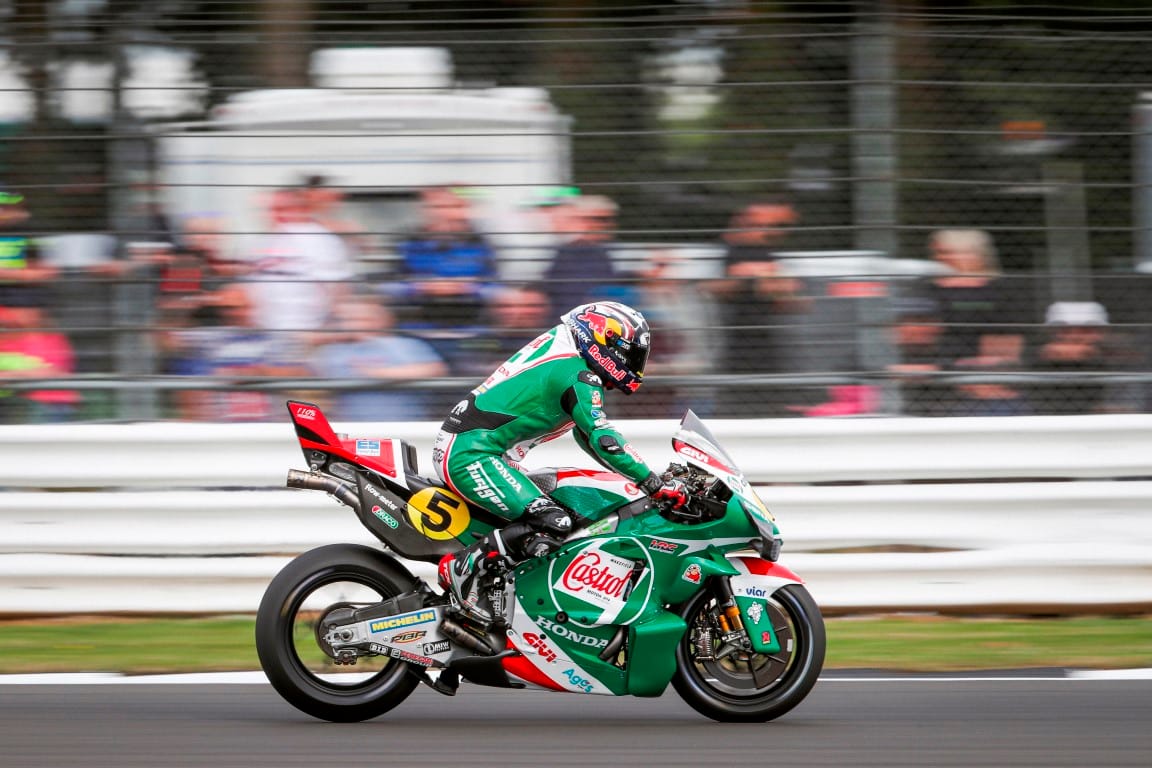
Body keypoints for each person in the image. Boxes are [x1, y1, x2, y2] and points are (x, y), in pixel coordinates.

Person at [433, 301, 689, 626]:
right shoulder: (575, 371)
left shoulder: (569, 358)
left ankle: (500, 604)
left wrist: (643, 481)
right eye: (629, 354)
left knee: (570, 511)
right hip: (473, 456)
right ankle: (461, 570)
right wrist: (652, 483)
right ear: (602, 339)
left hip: (483, 454)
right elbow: (602, 437)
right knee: (554, 520)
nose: (633, 364)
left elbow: (589, 438)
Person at [707, 199, 808, 417]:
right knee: (737, 398)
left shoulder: (767, 252)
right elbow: (723, 284)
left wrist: (768, 279)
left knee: (768, 396)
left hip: (765, 339)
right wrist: (756, 275)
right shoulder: (734, 250)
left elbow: (787, 291)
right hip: (736, 339)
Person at [922, 229, 1032, 415]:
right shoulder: (924, 290)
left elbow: (1004, 347)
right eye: (938, 253)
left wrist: (980, 377)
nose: (941, 258)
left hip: (981, 382)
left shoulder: (999, 291)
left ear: (978, 255)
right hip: (929, 375)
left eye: (949, 252)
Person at [310, 294, 449, 421]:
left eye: (363, 319)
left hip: (405, 426)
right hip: (354, 429)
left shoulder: (405, 345)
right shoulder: (335, 352)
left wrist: (381, 373)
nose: (355, 325)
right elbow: (321, 376)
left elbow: (435, 369)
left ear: (382, 320)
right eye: (350, 320)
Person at [540, 195, 627, 318]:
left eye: (606, 219)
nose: (601, 225)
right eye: (594, 219)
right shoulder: (564, 254)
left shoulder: (617, 253)